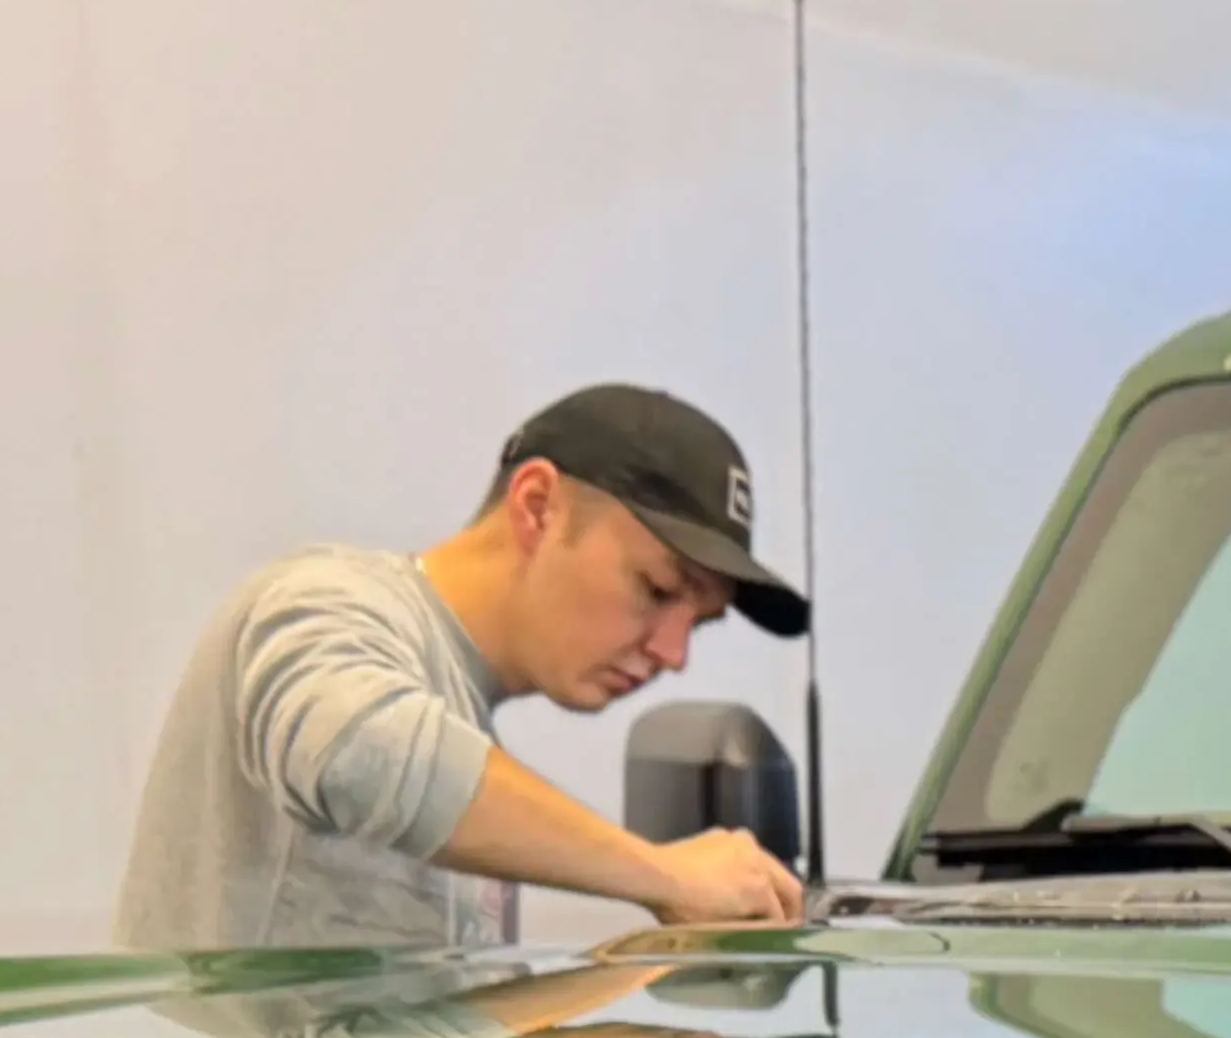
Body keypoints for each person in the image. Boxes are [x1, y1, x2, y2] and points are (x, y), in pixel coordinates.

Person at [117, 386, 810, 954]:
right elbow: (359, 751)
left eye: (699, 622)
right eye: (658, 589)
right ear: (537, 507)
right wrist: (663, 874)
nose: (674, 653)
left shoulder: (468, 733)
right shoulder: (324, 600)